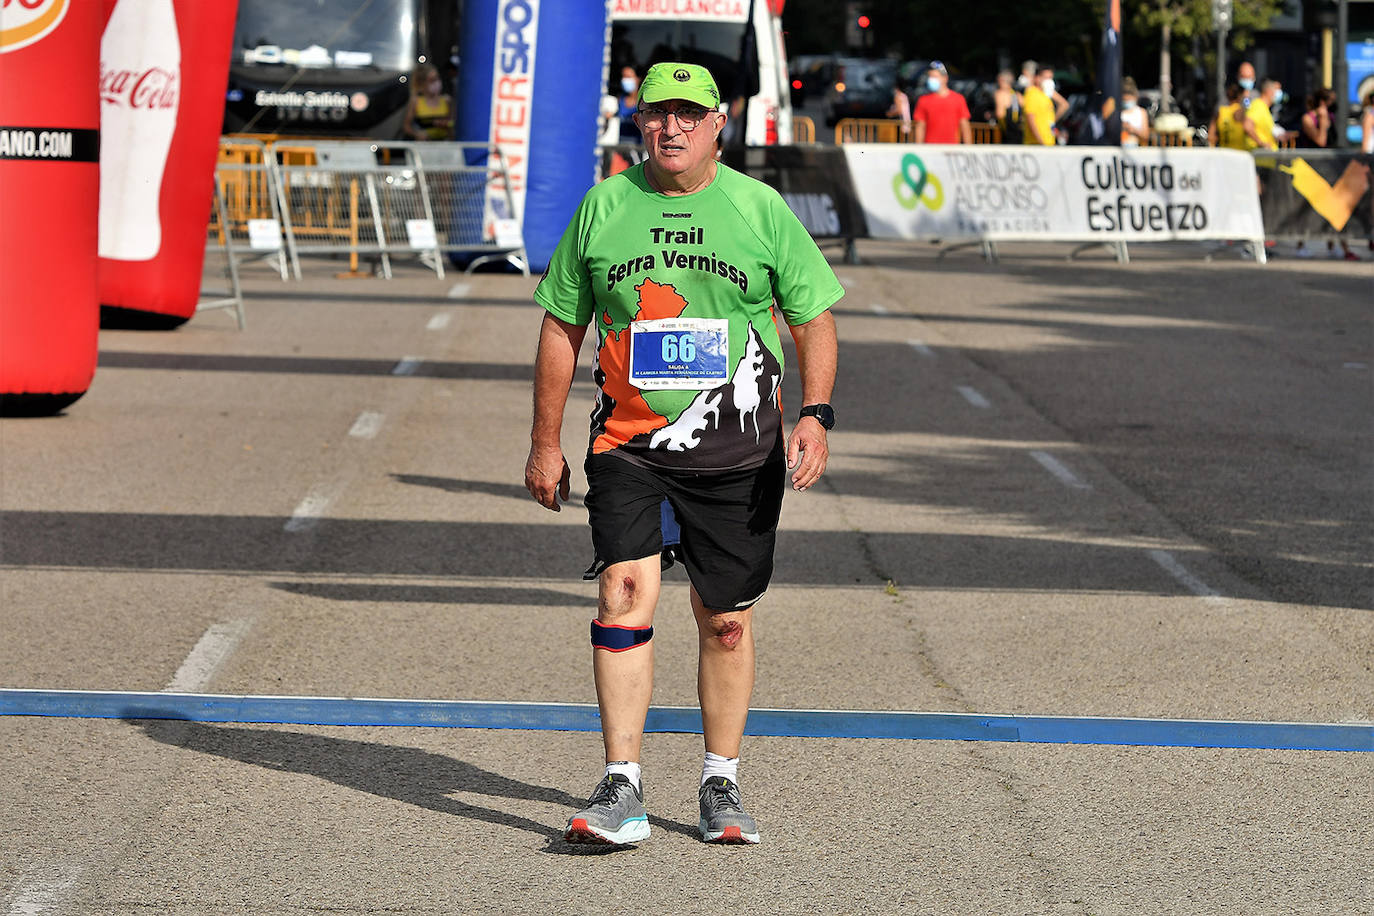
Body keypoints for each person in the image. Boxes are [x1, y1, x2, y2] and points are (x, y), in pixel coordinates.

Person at [525, 61, 843, 848]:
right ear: (638, 124)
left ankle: (720, 783)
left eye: (687, 116)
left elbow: (814, 317)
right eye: (655, 115)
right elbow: (563, 325)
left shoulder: (759, 209)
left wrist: (815, 413)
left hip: (737, 452)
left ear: (717, 124)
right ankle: (621, 785)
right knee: (622, 592)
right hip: (628, 445)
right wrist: (543, 442)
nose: (671, 129)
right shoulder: (606, 206)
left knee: (724, 621)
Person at [913, 61, 971, 144]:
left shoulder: (958, 99)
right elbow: (920, 127)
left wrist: (968, 149)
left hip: (951, 151)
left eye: (934, 76)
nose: (931, 79)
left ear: (945, 78)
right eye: (930, 76)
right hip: (929, 149)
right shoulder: (923, 100)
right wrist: (918, 150)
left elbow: (965, 126)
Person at [402, 63, 453, 141]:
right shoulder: (415, 101)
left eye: (438, 78)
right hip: (423, 147)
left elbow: (451, 126)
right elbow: (406, 126)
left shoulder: (446, 100)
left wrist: (447, 126)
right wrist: (417, 134)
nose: (437, 83)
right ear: (422, 83)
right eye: (432, 80)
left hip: (443, 144)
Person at [1022, 64, 1065, 145]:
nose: (1049, 81)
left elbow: (1064, 105)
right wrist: (1042, 143)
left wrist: (1057, 133)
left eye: (1051, 78)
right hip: (1036, 144)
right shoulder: (1032, 94)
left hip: (1048, 143)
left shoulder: (1046, 95)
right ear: (1037, 78)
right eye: (1046, 78)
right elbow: (1031, 120)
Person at [1239, 77, 1283, 151]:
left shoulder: (1264, 108)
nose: (1277, 93)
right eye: (1276, 90)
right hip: (1261, 159)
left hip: (1268, 158)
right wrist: (1261, 143)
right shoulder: (1258, 105)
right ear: (1269, 91)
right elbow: (1247, 125)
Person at [1209, 82, 1246, 149]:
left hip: (1224, 152)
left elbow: (1211, 135)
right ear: (1240, 95)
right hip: (1239, 152)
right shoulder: (1240, 112)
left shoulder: (1221, 112)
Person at [993, 68, 1023, 144]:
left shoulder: (1000, 94)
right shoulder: (1018, 95)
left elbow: (1000, 114)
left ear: (1001, 80)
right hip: (1020, 134)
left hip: (1006, 134)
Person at [1120, 77, 1150, 146]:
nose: (1127, 102)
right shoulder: (1117, 112)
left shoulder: (1141, 112)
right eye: (1125, 100)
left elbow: (1146, 136)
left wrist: (1132, 130)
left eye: (1128, 99)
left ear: (1135, 97)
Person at [617, 65, 643, 144]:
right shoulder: (618, 101)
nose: (624, 80)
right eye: (623, 77)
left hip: (638, 149)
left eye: (628, 77)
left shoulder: (644, 103)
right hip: (617, 147)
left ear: (638, 79)